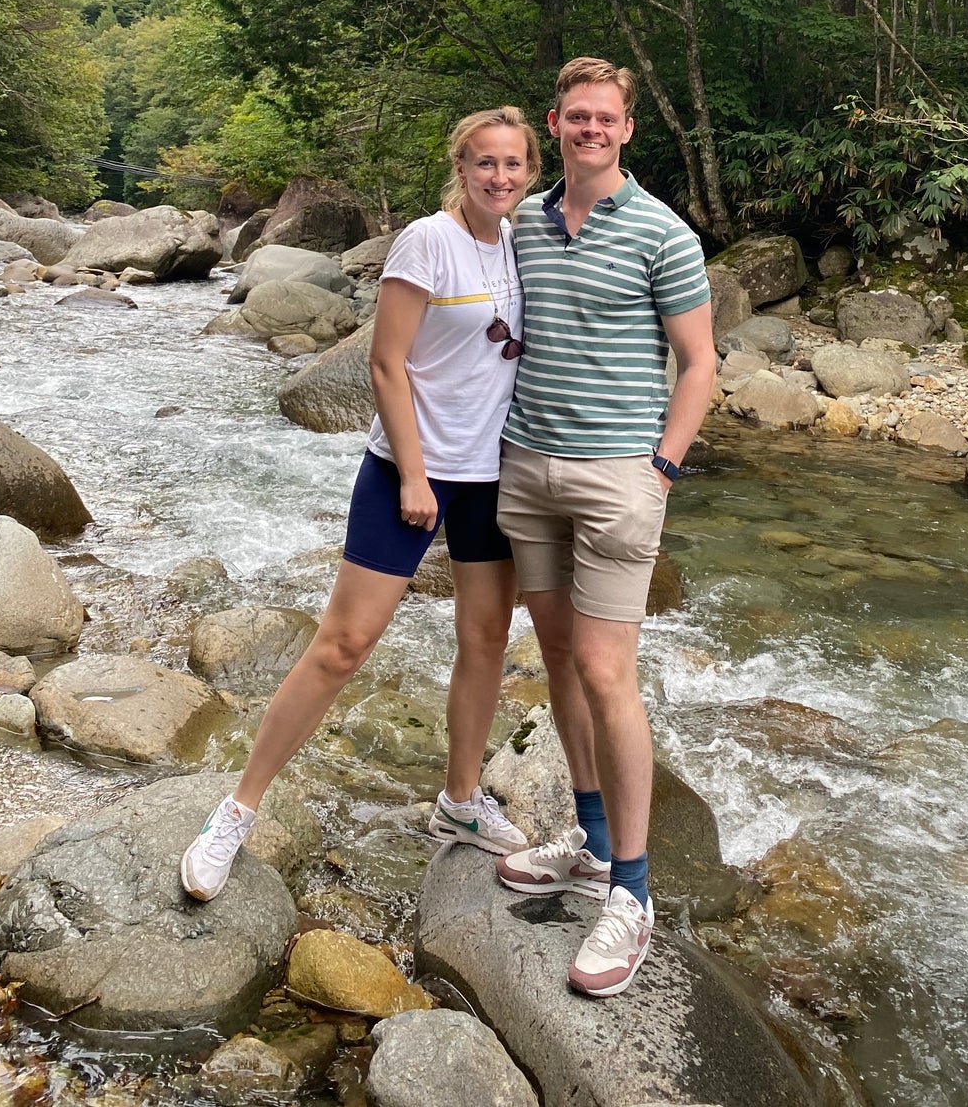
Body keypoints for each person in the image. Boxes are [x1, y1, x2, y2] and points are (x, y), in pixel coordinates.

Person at [180, 107, 540, 900]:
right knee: (342, 644)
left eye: (513, 165)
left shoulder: (521, 242)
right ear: (461, 164)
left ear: (529, 169)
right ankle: (236, 810)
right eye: (485, 163)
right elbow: (385, 363)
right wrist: (414, 473)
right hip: (405, 470)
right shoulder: (426, 239)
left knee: (483, 641)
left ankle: (460, 801)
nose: (500, 177)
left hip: (491, 475)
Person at [493, 57, 717, 997]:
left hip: (619, 477)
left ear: (627, 128)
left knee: (604, 670)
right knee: (555, 659)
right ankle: (586, 843)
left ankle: (632, 890)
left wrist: (660, 469)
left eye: (605, 117)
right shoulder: (523, 227)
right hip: (525, 466)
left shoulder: (663, 232)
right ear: (556, 123)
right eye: (575, 116)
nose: (590, 128)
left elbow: (700, 363)